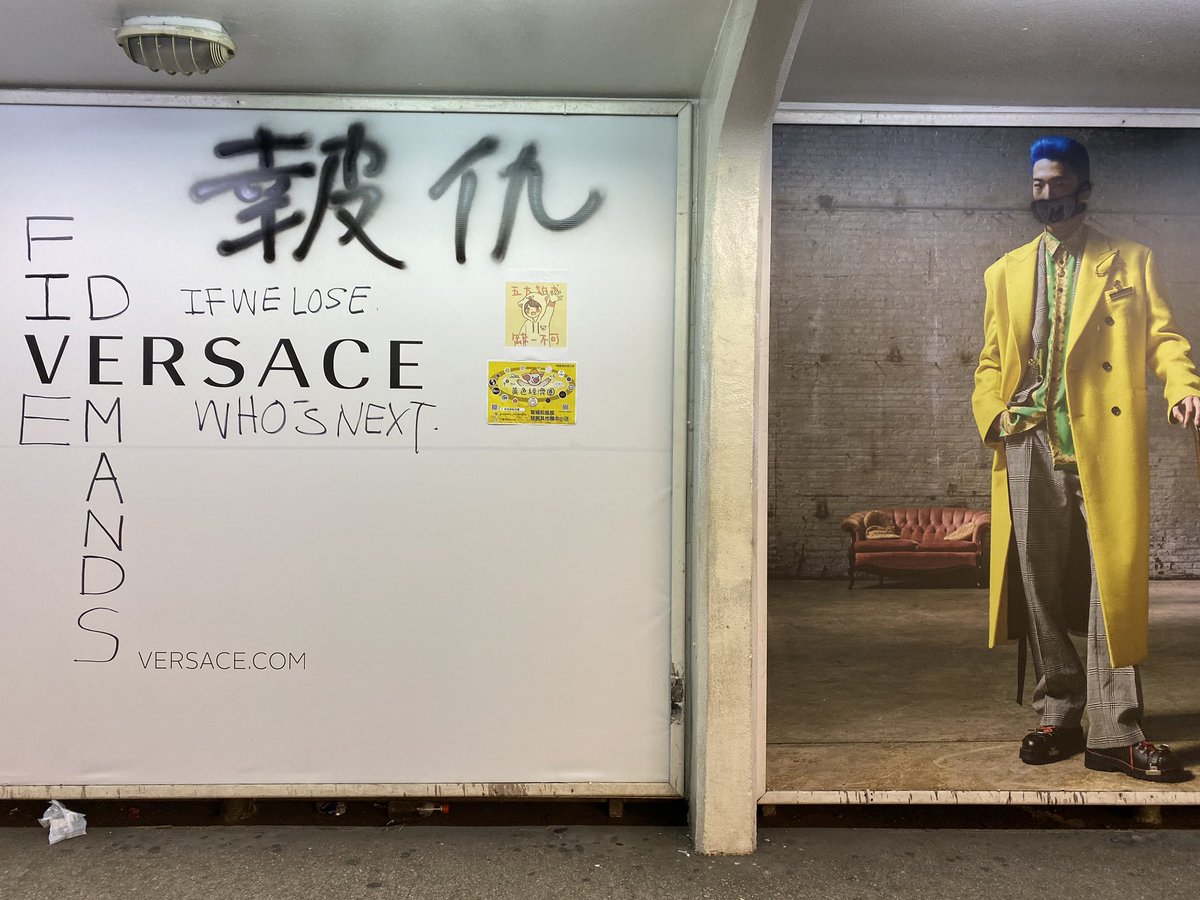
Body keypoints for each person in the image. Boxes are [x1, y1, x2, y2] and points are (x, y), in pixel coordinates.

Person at [972, 135, 1200, 782]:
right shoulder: (1005, 272)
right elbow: (991, 361)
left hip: (1103, 443)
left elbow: (1164, 337)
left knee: (1112, 587)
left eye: (1058, 184)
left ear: (1085, 188)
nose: (1046, 195)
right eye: (1038, 185)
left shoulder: (1130, 261)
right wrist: (994, 415)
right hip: (1028, 441)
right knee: (1039, 585)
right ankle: (1060, 712)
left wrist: (1183, 387)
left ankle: (1117, 731)